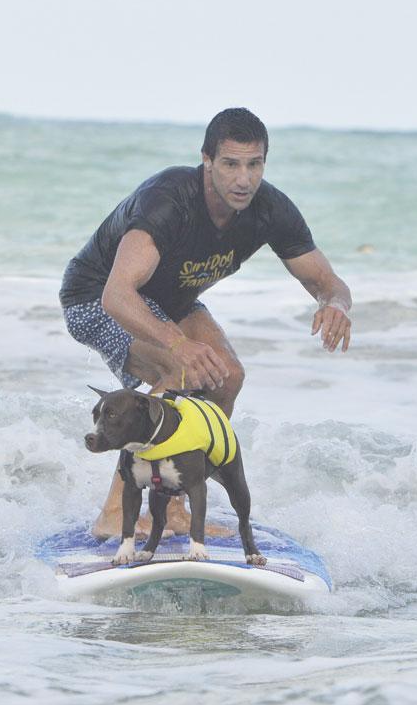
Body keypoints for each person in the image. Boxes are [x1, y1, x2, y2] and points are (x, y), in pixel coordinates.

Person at [59, 107, 353, 538]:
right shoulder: (167, 201)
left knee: (226, 377)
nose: (243, 179)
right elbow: (118, 294)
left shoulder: (270, 209)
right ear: (207, 160)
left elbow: (327, 282)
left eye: (254, 165)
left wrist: (336, 305)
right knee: (179, 372)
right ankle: (113, 513)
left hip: (170, 301)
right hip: (95, 299)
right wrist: (177, 346)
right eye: (231, 164)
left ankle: (173, 504)